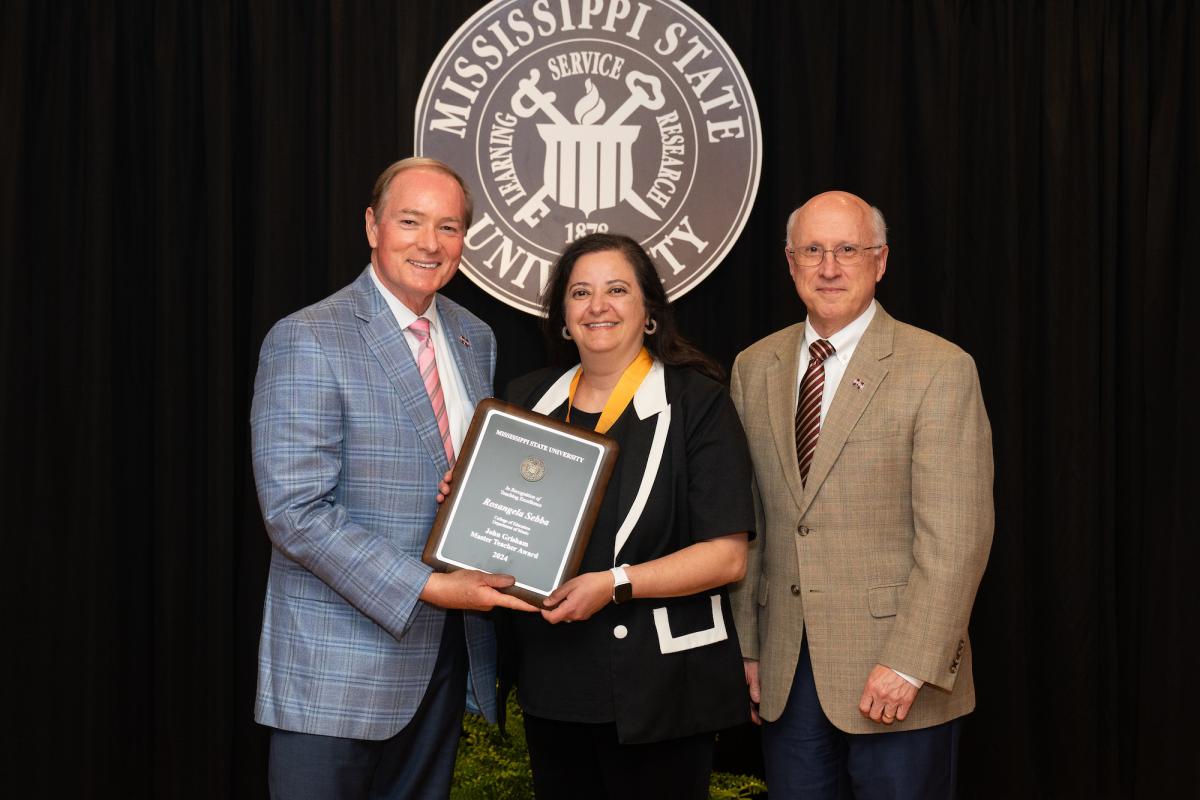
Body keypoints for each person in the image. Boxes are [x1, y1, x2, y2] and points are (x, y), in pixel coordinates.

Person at [250, 157, 536, 799]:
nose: (430, 243)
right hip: (335, 672)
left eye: (449, 226)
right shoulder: (307, 338)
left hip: (443, 661)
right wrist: (432, 589)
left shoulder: (473, 336)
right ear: (372, 226)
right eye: (411, 221)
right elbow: (294, 512)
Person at [729, 191, 994, 798]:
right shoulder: (754, 366)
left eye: (848, 250)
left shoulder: (939, 368)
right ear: (790, 262)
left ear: (880, 261)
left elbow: (958, 537)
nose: (830, 267)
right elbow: (751, 521)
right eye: (813, 251)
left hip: (899, 674)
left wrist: (909, 662)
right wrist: (749, 648)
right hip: (786, 671)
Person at [500, 233, 755, 799]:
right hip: (556, 682)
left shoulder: (697, 401)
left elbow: (728, 556)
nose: (598, 306)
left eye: (617, 289)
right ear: (564, 318)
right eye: (581, 292)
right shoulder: (525, 400)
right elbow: (502, 521)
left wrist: (614, 584)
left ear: (648, 313)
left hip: (660, 689)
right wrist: (466, 497)